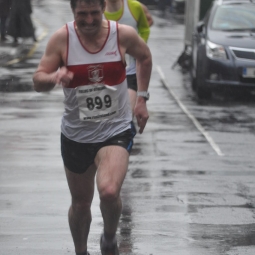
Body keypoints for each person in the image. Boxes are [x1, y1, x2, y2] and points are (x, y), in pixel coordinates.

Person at [33, 0, 152, 254]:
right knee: (80, 203)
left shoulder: (122, 35)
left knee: (109, 191)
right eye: (82, 15)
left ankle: (109, 237)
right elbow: (38, 79)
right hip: (76, 134)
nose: (88, 21)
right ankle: (81, 251)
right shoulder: (62, 39)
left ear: (103, 9)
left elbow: (144, 57)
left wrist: (141, 98)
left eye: (94, 14)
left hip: (115, 129)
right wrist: (54, 77)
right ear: (73, 12)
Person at [104, 0, 151, 119]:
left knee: (126, 114)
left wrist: (137, 48)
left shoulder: (134, 6)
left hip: (130, 72)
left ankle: (127, 129)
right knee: (105, 118)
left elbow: (145, 28)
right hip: (105, 73)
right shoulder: (95, 9)